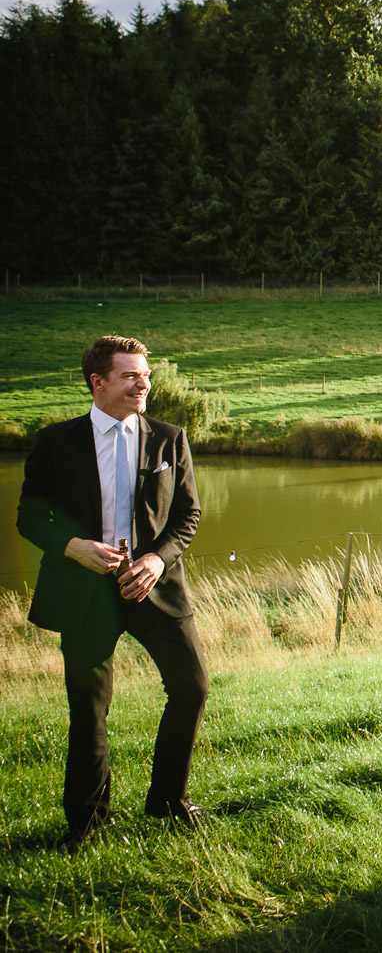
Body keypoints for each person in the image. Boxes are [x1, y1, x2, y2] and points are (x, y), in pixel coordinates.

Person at [15, 335, 207, 852]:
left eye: (144, 376)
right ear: (98, 382)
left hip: (155, 589)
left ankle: (168, 801)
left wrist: (155, 559)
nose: (143, 384)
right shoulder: (56, 442)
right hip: (85, 592)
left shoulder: (169, 438)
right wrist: (73, 546)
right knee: (90, 708)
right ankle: (86, 823)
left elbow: (188, 515)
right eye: (130, 376)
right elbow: (30, 517)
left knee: (192, 687)